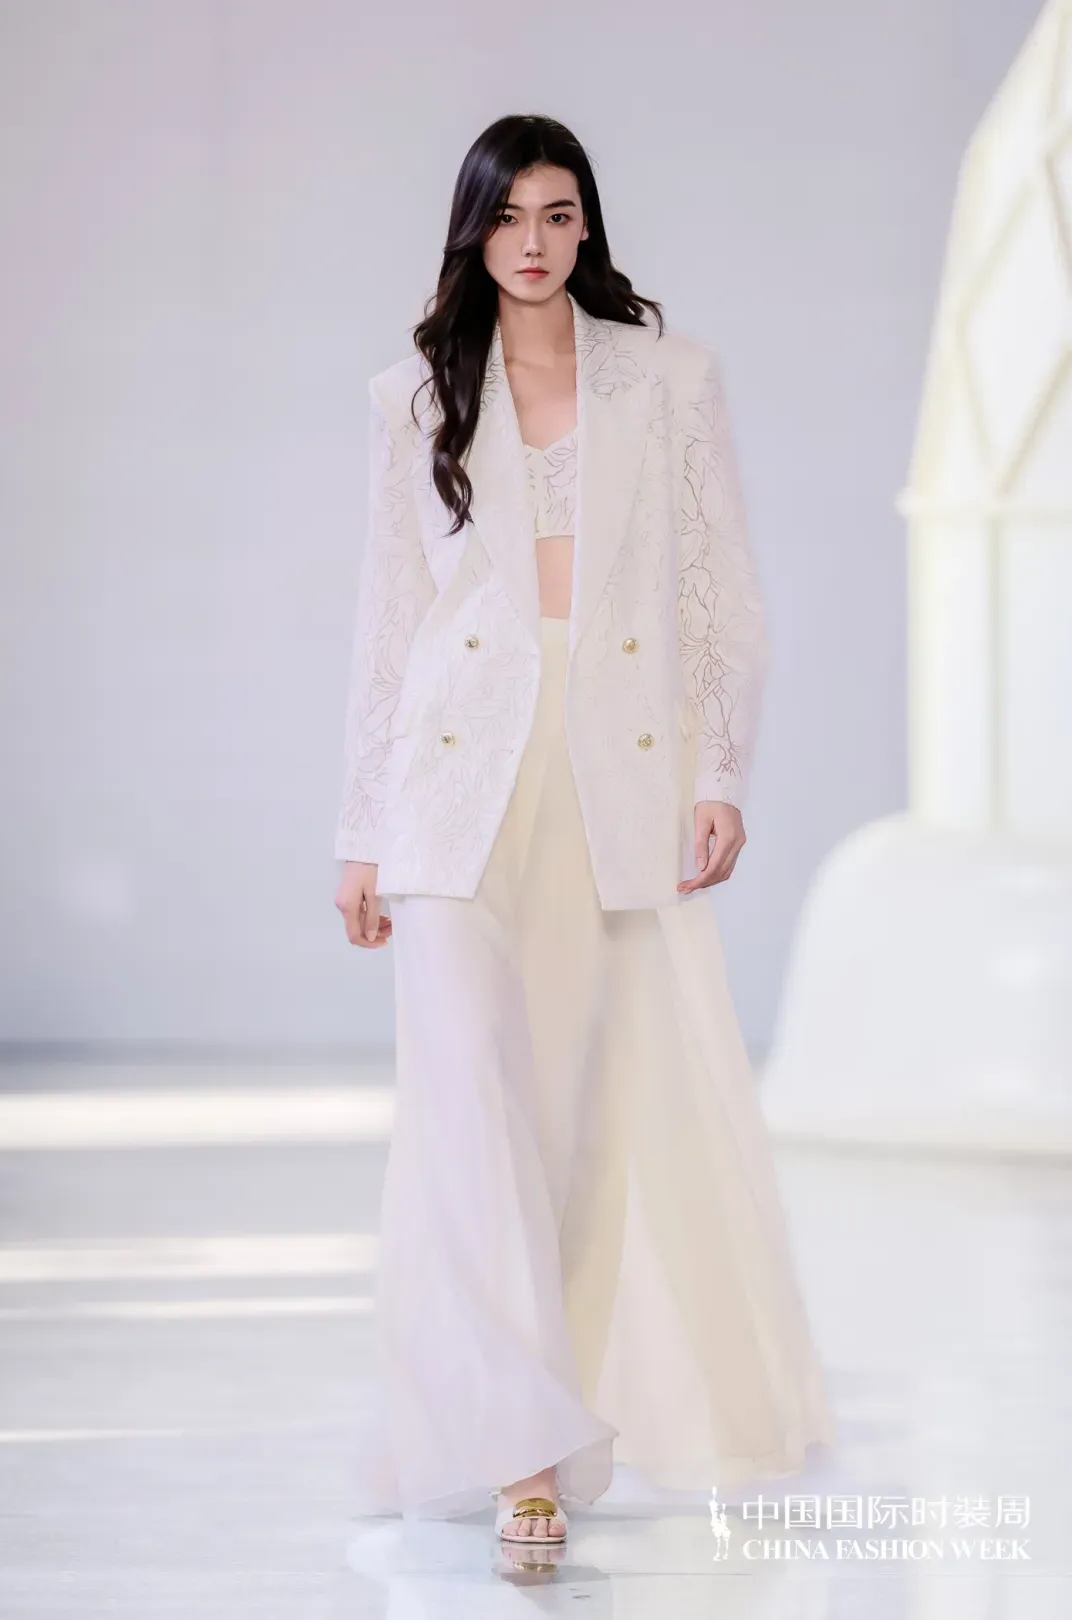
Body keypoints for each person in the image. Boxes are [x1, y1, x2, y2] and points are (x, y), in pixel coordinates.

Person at [333, 113, 836, 1546]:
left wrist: (720, 770)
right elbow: (389, 620)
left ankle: (558, 1409)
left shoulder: (667, 379)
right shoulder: (413, 395)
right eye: (509, 217)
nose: (535, 242)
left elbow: (720, 588)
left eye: (559, 215)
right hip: (455, 786)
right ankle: (520, 1456)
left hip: (614, 770)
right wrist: (362, 829)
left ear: (589, 226)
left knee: (582, 1122)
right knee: (468, 1112)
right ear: (473, 230)